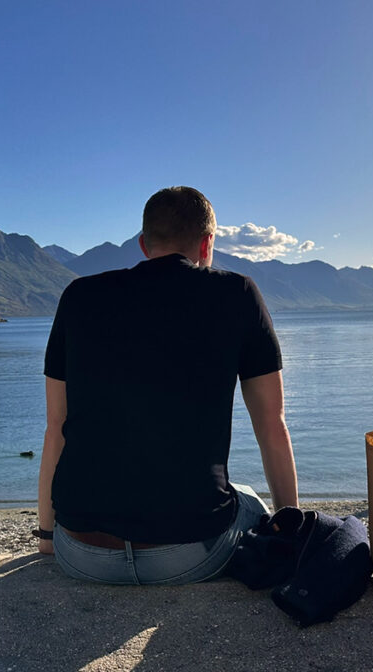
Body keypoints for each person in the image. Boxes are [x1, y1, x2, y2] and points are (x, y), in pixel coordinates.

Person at [37, 186, 298, 586]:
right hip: (188, 554)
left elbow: (56, 427)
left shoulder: (78, 296)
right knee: (250, 501)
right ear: (207, 242)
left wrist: (46, 537)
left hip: (80, 552)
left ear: (143, 244)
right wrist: (293, 526)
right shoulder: (237, 293)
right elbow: (272, 427)